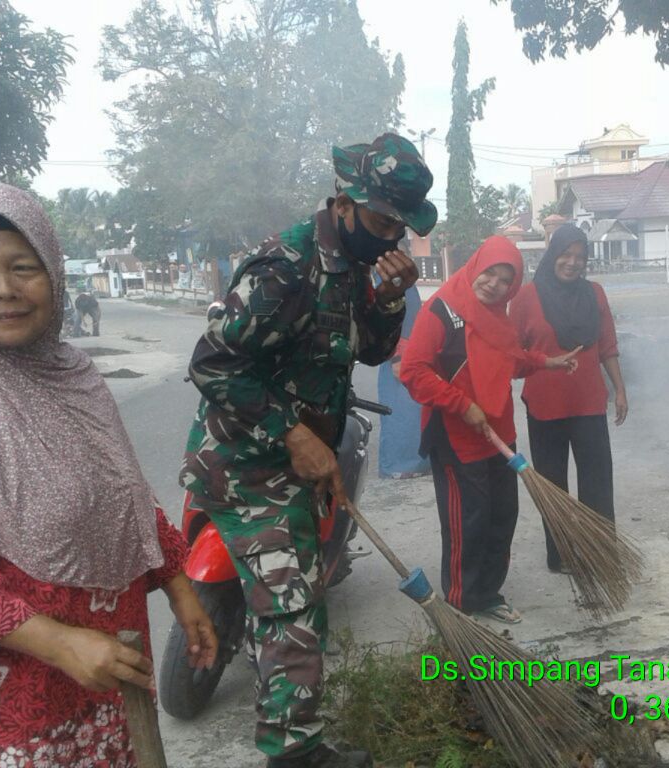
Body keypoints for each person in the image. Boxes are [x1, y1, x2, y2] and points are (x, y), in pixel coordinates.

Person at [0, 181, 217, 767]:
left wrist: (181, 589)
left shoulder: (73, 374)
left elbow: (122, 493)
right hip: (7, 708)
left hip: (100, 673)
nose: (4, 289)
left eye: (23, 267)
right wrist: (59, 644)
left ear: (53, 274)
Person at [180, 133, 431, 768]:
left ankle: (291, 737)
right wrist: (293, 434)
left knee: (299, 598)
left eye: (401, 229)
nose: (393, 239)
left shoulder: (349, 268)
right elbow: (211, 363)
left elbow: (370, 352)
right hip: (247, 464)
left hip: (296, 459)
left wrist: (390, 300)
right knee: (290, 607)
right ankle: (294, 755)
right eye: (383, 223)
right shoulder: (286, 267)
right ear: (345, 204)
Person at [400, 237, 578, 624]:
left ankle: (488, 593)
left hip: (497, 431)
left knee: (503, 515)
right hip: (455, 435)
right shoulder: (441, 309)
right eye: (490, 273)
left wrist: (548, 362)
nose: (494, 284)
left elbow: (510, 360)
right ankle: (462, 600)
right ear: (476, 266)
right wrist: (462, 404)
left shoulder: (498, 316)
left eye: (505, 280)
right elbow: (413, 371)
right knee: (469, 521)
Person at [510, 223, 626, 573]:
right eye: (566, 254)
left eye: (580, 256)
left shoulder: (595, 294)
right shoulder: (526, 297)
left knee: (597, 481)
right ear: (553, 255)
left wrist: (620, 389)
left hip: (589, 402)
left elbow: (607, 346)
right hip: (545, 406)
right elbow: (512, 354)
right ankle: (560, 555)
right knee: (553, 485)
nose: (572, 263)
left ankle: (599, 552)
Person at [377, 275, 431, 479]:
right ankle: (403, 464)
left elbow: (407, 316)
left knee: (407, 410)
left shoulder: (398, 277)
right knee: (401, 410)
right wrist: (397, 355)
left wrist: (401, 355)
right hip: (400, 352)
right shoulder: (391, 277)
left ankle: (410, 463)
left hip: (406, 351)